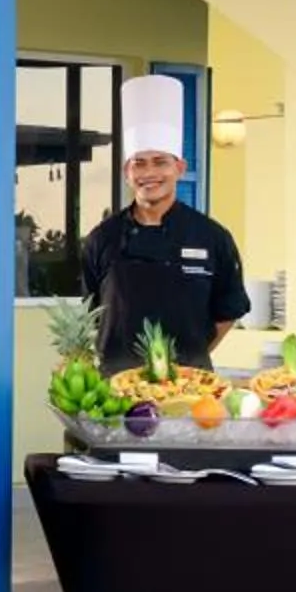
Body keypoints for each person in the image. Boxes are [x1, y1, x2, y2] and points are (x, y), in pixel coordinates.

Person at [79, 74, 247, 373]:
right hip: (115, 389)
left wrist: (187, 361)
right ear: (126, 172)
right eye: (139, 163)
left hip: (189, 388)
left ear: (180, 168)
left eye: (160, 162)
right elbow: (91, 314)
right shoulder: (101, 239)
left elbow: (228, 310)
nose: (149, 173)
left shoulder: (212, 237)